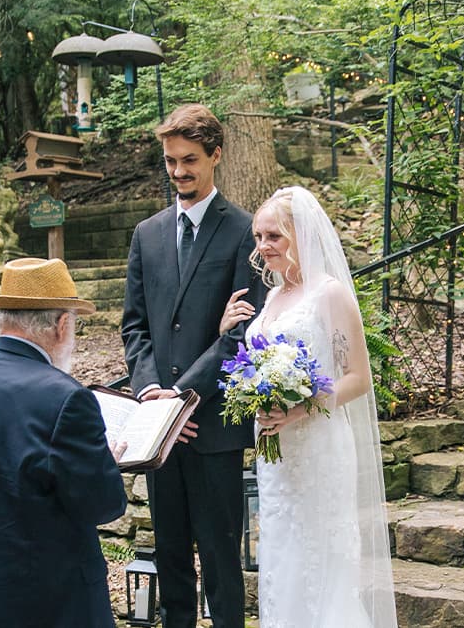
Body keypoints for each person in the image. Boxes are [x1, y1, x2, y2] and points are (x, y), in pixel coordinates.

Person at [218, 186, 398, 627]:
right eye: (259, 237)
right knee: (281, 554)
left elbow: (357, 377)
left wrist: (298, 409)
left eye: (274, 236)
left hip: (317, 445)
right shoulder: (273, 297)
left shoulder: (330, 294)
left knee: (319, 559)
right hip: (275, 454)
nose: (263, 246)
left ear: (301, 235)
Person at [121, 103, 265, 628]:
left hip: (212, 424)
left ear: (216, 156)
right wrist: (151, 391)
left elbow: (246, 331)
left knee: (221, 557)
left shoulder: (246, 231)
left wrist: (181, 395)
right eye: (169, 161)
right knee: (171, 554)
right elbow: (134, 327)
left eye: (189, 160)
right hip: (160, 430)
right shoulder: (147, 233)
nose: (178, 171)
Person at [0, 257, 128, 627]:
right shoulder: (66, 398)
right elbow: (102, 504)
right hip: (44, 600)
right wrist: (107, 466)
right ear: (61, 324)